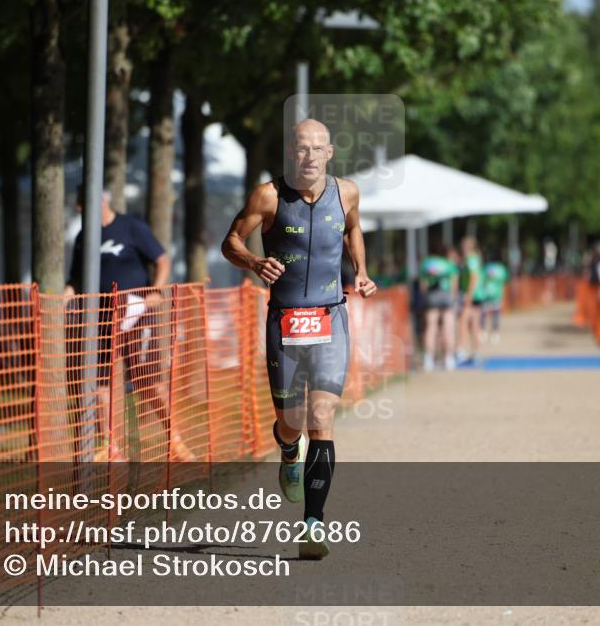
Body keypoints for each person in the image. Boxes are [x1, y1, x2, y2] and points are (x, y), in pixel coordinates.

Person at [220, 119, 376, 560]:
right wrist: (254, 262)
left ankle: (312, 524)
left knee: (321, 415)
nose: (310, 156)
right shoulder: (268, 196)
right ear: (292, 153)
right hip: (285, 320)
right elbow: (230, 241)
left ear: (329, 153)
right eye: (302, 148)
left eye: (317, 148)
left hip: (330, 317)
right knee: (291, 421)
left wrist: (361, 272)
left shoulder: (347, 193)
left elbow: (352, 229)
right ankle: (288, 447)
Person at [64, 186, 195, 463]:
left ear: (100, 202)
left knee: (148, 381)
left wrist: (155, 291)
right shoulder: (83, 238)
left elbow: (162, 260)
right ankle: (110, 447)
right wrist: (63, 299)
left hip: (136, 315)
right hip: (100, 318)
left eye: (82, 203)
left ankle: (175, 440)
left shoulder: (132, 227)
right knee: (99, 382)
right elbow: (75, 279)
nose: (78, 209)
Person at [419, 244, 459, 371]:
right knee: (448, 327)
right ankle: (449, 359)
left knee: (431, 328)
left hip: (432, 296)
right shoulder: (449, 264)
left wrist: (425, 298)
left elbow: (423, 285)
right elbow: (454, 283)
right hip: (446, 295)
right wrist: (453, 298)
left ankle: (428, 359)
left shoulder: (427, 263)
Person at [456, 237, 483, 365]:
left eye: (464, 246)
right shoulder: (473, 258)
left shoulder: (471, 258)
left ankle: (461, 351)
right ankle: (475, 353)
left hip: (472, 295)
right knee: (474, 324)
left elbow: (474, 276)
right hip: (475, 295)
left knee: (464, 322)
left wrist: (469, 295)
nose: (462, 248)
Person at [480, 256, 509, 345]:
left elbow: (503, 283)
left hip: (492, 296)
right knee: (489, 315)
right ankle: (488, 332)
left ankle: (490, 333)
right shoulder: (500, 269)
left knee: (492, 315)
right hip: (490, 296)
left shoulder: (488, 268)